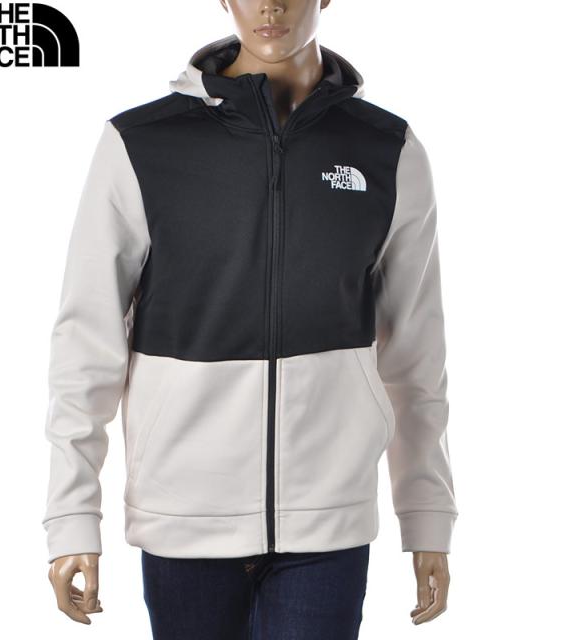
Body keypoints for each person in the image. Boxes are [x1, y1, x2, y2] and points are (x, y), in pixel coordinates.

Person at [42, 0, 459, 636]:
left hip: (328, 519)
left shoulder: (386, 150)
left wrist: (426, 513)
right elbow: (86, 342)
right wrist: (73, 515)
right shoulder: (142, 144)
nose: (269, 4)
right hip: (183, 514)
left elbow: (417, 354)